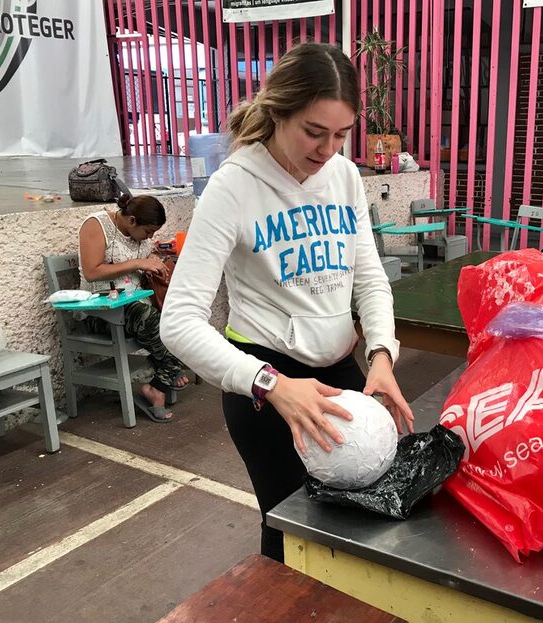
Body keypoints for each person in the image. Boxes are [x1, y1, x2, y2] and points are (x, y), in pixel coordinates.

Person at [160, 42, 414, 563]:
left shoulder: (343, 176)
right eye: (313, 132)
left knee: (359, 525)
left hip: (341, 372)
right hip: (267, 383)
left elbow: (369, 279)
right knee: (291, 531)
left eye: (341, 134)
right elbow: (179, 322)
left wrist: (382, 357)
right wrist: (271, 385)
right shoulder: (232, 188)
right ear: (278, 112)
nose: (327, 150)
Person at [79, 194, 189, 422]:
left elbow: (141, 258)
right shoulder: (96, 225)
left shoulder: (138, 235)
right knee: (154, 322)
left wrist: (152, 264)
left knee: (181, 322)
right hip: (102, 309)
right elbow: (91, 271)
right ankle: (164, 375)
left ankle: (159, 383)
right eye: (148, 232)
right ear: (131, 221)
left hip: (136, 305)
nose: (150, 237)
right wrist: (139, 263)